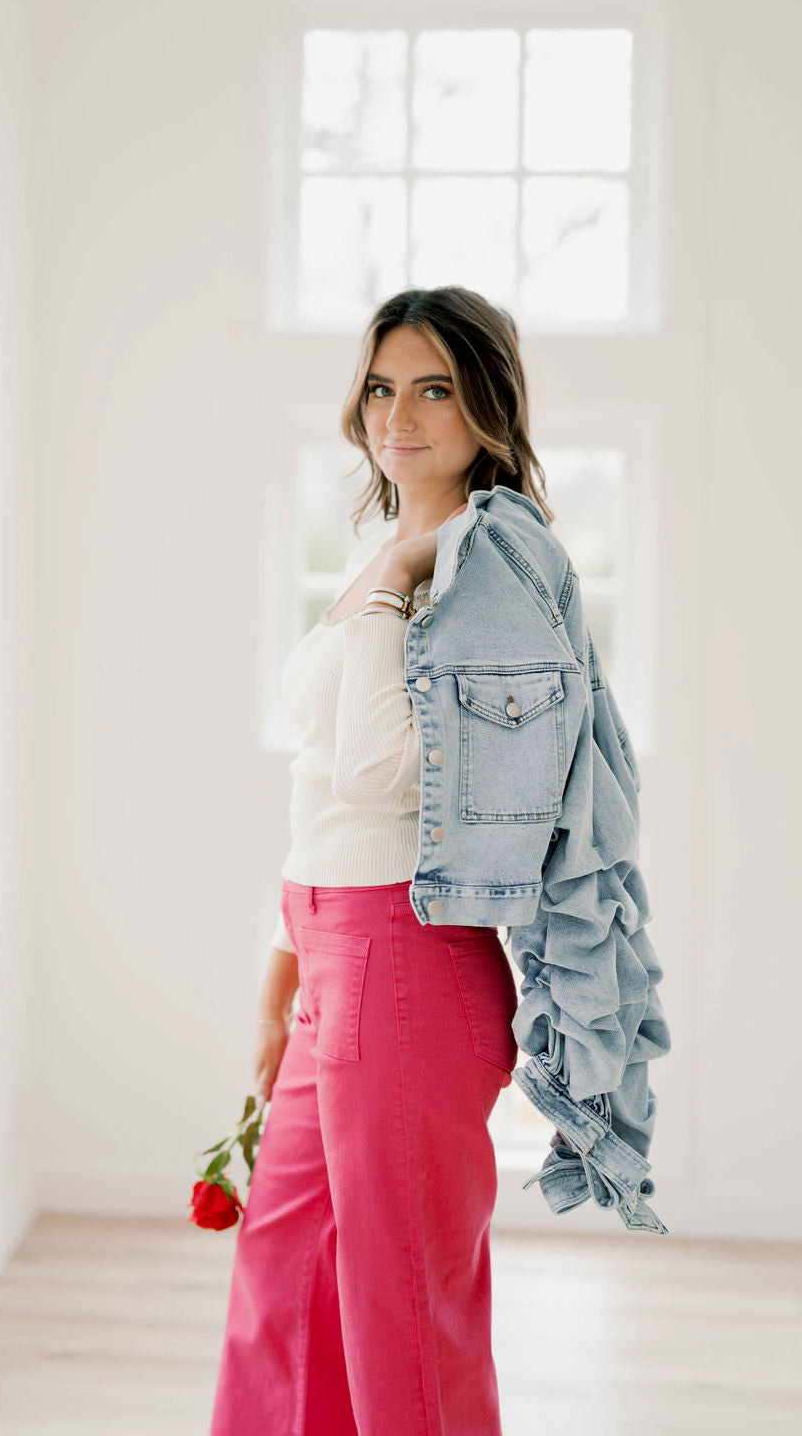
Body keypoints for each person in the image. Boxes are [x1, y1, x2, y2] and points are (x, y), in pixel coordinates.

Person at [208, 285, 667, 1436]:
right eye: (379, 386)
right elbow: (322, 775)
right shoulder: (387, 544)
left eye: (433, 390)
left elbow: (374, 769)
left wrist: (400, 579)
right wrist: (283, 965)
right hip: (335, 954)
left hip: (406, 966)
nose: (396, 415)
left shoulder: (481, 564)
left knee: (402, 1315)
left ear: (485, 408)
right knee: (286, 1274)